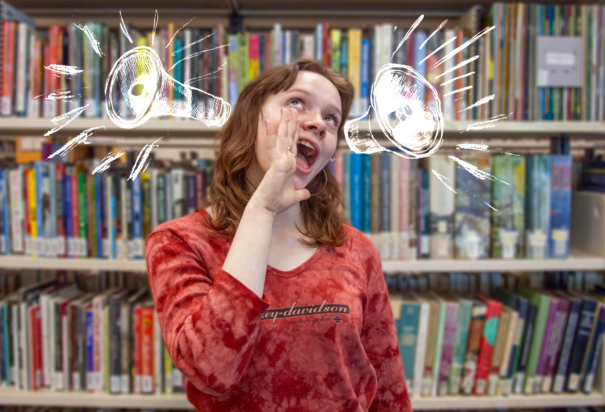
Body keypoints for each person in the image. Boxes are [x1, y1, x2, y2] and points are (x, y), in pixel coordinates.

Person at [145, 59, 412, 411]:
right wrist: (261, 210)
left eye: (332, 118)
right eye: (297, 102)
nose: (319, 122)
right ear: (251, 119)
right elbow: (211, 370)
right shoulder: (178, 242)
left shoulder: (356, 250)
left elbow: (387, 383)